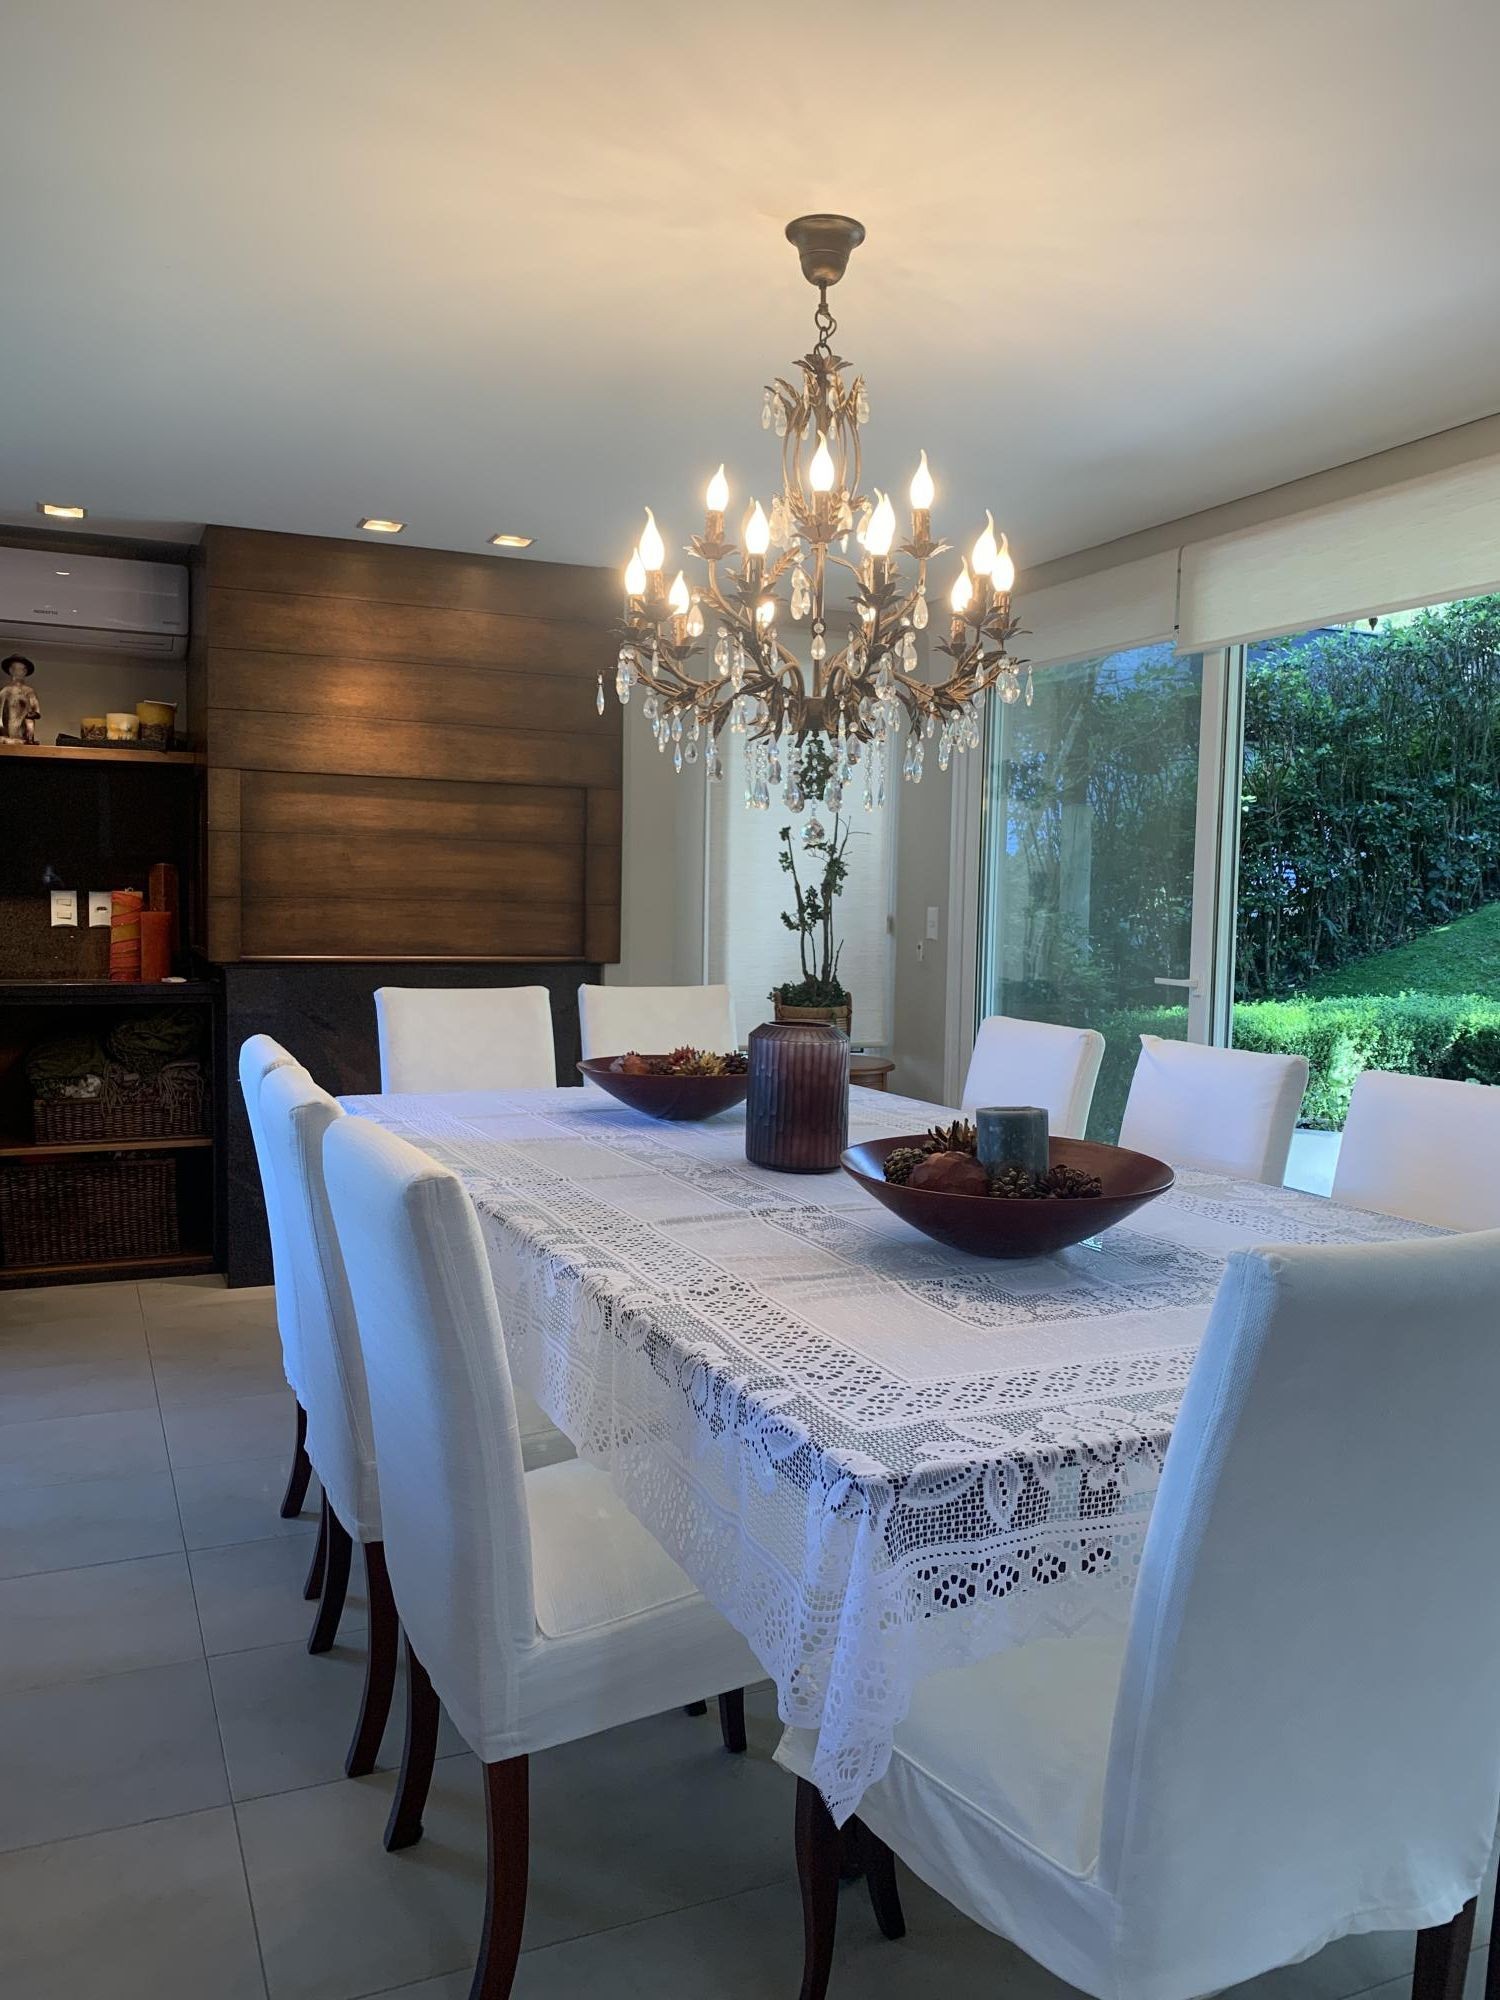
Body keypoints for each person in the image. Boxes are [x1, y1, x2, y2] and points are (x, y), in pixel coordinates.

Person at [0, 655, 40, 744]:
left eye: (23, 669)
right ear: (11, 670)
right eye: (17, 668)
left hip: (23, 732)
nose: (21, 671)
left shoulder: (29, 691)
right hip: (7, 732)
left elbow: (36, 711)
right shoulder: (5, 691)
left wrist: (29, 718)